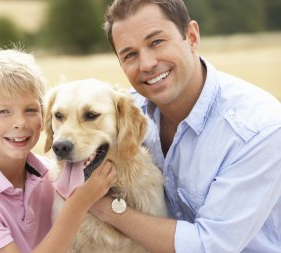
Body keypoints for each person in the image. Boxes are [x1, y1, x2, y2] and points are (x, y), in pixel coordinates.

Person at [89, 0, 281, 252]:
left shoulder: (258, 129)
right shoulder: (124, 116)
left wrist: (106, 208)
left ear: (191, 37)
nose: (146, 64)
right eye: (130, 54)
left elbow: (209, 246)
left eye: (156, 42)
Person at [0, 48, 116, 253]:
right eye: (3, 112)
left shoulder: (52, 176)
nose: (20, 122)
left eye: (31, 110)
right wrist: (78, 205)